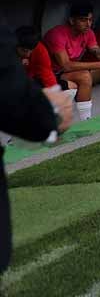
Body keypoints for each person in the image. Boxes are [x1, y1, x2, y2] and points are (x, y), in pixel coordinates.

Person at [2, 27, 73, 276]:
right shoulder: (6, 50)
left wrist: (55, 101)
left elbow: (47, 77)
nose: (26, 55)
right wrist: (50, 124)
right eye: (23, 51)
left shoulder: (39, 53)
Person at [42, 3, 100, 119]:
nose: (88, 24)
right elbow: (65, 65)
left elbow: (96, 50)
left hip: (70, 73)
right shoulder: (57, 34)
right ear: (71, 20)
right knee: (84, 76)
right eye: (83, 20)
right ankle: (86, 121)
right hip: (53, 75)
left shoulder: (88, 33)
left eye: (90, 20)